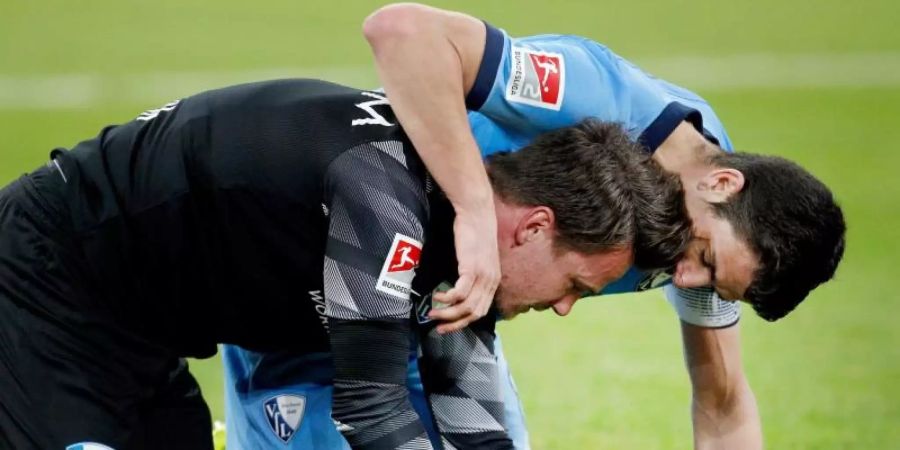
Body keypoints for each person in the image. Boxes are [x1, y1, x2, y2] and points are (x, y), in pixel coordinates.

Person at [0, 78, 689, 449]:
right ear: (534, 227)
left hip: (139, 332)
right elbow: (371, 407)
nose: (566, 307)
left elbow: (472, 419)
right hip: (47, 284)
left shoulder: (459, 232)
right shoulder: (386, 198)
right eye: (574, 283)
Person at [359, 3, 847, 448]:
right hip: (347, 257)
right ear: (721, 183)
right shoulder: (595, 92)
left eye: (716, 287)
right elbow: (405, 32)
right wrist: (475, 211)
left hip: (448, 317)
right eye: (707, 260)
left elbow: (723, 408)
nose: (685, 282)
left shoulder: (709, 242)